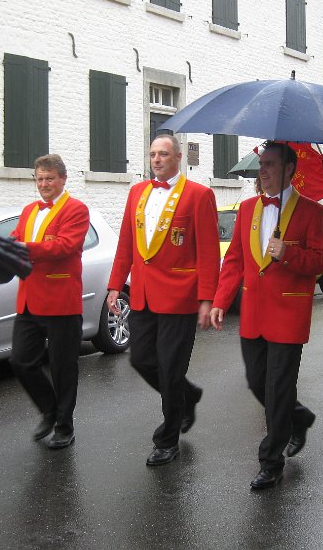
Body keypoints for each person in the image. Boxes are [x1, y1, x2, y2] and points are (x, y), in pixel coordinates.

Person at [209, 141, 323, 490]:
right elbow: (235, 260)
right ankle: (299, 416)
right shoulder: (248, 208)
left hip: (289, 314)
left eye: (271, 164)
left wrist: (288, 254)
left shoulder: (312, 212)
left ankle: (271, 462)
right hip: (254, 313)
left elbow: (322, 260)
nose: (262, 171)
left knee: (278, 388)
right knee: (256, 382)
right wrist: (220, 300)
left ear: (289, 169)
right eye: (261, 164)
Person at [107, 135, 220, 467]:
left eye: (163, 154)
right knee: (141, 360)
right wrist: (115, 285)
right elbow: (126, 244)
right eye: (153, 154)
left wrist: (206, 299)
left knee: (170, 370)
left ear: (178, 157)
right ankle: (188, 395)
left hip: (179, 297)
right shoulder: (137, 192)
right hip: (142, 294)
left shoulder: (199, 195)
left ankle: (167, 439)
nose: (156, 159)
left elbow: (208, 252)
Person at [9, 154, 90, 449]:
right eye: (40, 179)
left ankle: (64, 427)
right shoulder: (29, 210)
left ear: (63, 179)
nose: (43, 184)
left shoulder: (76, 209)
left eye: (49, 178)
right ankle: (49, 409)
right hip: (29, 299)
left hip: (61, 301)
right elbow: (16, 237)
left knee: (62, 368)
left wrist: (23, 247)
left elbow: (65, 246)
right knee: (21, 360)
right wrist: (6, 245)